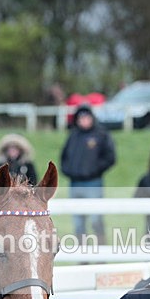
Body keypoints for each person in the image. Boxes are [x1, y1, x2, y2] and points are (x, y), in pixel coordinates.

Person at [60, 104, 116, 245]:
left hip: (93, 183)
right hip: (75, 183)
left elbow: (110, 157)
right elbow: (64, 157)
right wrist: (69, 171)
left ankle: (100, 254)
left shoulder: (101, 135)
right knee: (78, 222)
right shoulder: (73, 136)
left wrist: (94, 170)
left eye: (86, 117)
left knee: (96, 220)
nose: (84, 120)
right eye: (81, 118)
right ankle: (82, 256)